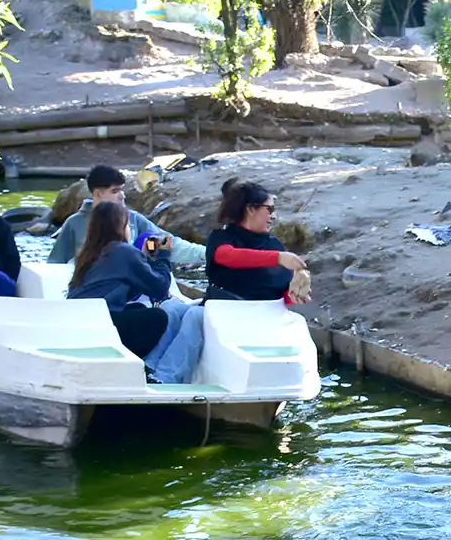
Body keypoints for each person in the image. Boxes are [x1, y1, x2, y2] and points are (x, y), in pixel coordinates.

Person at [66, 201, 205, 384]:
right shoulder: (122, 251)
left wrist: (144, 259)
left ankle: (150, 367)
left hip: (83, 323)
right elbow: (160, 289)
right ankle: (150, 369)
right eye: (127, 225)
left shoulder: (88, 253)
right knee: (158, 316)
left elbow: (128, 288)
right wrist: (162, 256)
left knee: (140, 307)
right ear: (119, 227)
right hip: (106, 326)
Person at [49, 164, 207, 267]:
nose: (122, 196)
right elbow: (55, 265)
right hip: (91, 296)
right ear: (97, 193)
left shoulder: (134, 218)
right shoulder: (74, 223)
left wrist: (208, 253)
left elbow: (169, 242)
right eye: (115, 191)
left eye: (122, 190)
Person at [205, 181, 312, 302]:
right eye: (269, 209)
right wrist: (278, 258)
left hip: (262, 316)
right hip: (221, 313)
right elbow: (228, 256)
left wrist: (296, 294)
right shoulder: (221, 237)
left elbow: (281, 295)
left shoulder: (274, 245)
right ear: (251, 209)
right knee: (193, 315)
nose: (274, 216)